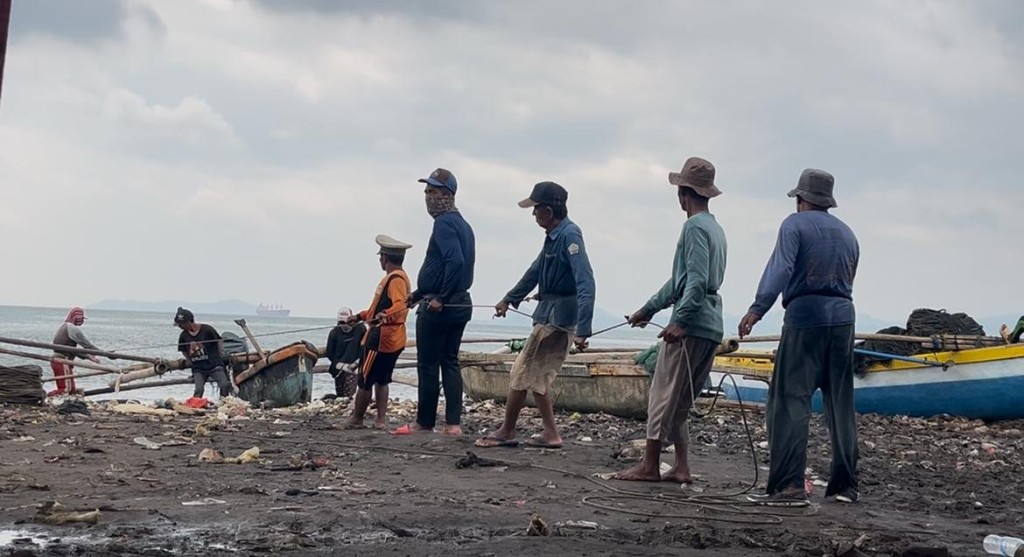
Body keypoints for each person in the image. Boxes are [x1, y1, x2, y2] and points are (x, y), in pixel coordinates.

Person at [738, 168, 860, 506]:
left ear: (801, 199)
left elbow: (781, 268)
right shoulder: (848, 233)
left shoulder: (793, 225)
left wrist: (757, 309)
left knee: (791, 400)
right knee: (840, 403)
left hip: (805, 318)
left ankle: (789, 485)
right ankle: (845, 485)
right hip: (843, 320)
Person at [614, 156, 728, 483]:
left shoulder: (693, 227)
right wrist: (648, 309)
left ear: (684, 193)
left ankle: (650, 465)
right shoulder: (715, 228)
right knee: (680, 399)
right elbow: (679, 281)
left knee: (662, 394)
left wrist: (681, 321)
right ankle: (681, 465)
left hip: (692, 325)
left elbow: (694, 280)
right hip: (711, 324)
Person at [476, 181, 595, 449]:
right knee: (537, 376)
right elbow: (534, 272)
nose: (533, 215)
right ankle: (550, 433)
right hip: (548, 315)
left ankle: (508, 430)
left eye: (537, 209)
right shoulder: (553, 237)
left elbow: (585, 281)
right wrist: (510, 299)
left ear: (549, 212)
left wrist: (584, 328)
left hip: (559, 319)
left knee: (522, 371)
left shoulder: (569, 236)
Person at [399, 168, 476, 436]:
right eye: (426, 192)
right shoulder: (464, 224)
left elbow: (455, 262)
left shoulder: (443, 223)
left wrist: (439, 297)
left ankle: (425, 422)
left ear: (447, 195)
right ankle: (453, 423)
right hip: (461, 303)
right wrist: (419, 293)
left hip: (442, 306)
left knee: (429, 364)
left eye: (432, 192)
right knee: (450, 361)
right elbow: (448, 267)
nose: (427, 197)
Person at [345, 235, 412, 430]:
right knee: (382, 379)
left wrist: (384, 316)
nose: (380, 260)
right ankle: (380, 420)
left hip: (381, 337)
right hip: (392, 337)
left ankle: (357, 418)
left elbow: (398, 306)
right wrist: (359, 316)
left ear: (385, 258)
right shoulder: (399, 278)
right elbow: (378, 309)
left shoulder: (395, 279)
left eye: (381, 256)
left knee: (365, 378)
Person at [174, 307, 232, 401]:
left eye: (181, 324)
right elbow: (183, 350)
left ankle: (224, 402)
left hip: (214, 365)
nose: (180, 327)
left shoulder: (207, 330)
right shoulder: (183, 336)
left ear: (188, 322)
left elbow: (219, 340)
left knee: (224, 385)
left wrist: (220, 354)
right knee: (199, 389)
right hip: (199, 368)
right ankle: (196, 405)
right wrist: (190, 361)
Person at [49, 306, 102, 397]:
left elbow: (74, 350)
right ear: (76, 318)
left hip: (60, 361)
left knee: (71, 389)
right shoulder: (72, 329)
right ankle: (47, 397)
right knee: (65, 390)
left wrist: (89, 357)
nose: (82, 321)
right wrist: (105, 354)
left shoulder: (65, 326)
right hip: (62, 361)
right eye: (81, 319)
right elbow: (87, 345)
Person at [325, 307, 366, 399]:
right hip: (338, 367)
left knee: (349, 395)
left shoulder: (360, 329)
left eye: (347, 323)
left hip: (354, 366)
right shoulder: (334, 333)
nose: (344, 326)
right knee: (340, 395)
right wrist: (340, 365)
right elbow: (330, 352)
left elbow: (365, 347)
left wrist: (356, 363)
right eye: (341, 323)